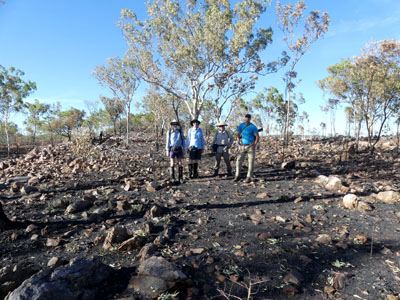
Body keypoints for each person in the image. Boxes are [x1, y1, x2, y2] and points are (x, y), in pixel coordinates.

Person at [234, 114, 260, 183]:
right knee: (238, 160)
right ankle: (237, 175)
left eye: (248, 118)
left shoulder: (253, 127)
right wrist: (238, 144)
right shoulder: (241, 126)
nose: (247, 119)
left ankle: (249, 177)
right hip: (242, 146)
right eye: (246, 118)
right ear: (244, 118)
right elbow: (238, 135)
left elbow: (257, 136)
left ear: (250, 119)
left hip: (250, 146)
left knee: (250, 162)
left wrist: (254, 145)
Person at [166, 119, 186, 184]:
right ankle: (172, 178)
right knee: (172, 163)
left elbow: (183, 141)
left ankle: (180, 178)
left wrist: (184, 149)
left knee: (180, 163)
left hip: (179, 149)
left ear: (177, 125)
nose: (174, 125)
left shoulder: (180, 132)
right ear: (172, 125)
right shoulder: (169, 132)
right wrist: (167, 150)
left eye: (176, 124)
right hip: (172, 149)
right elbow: (167, 142)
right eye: (173, 124)